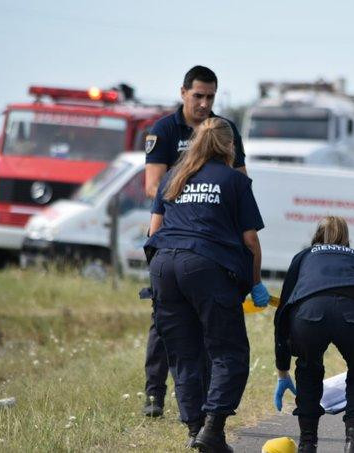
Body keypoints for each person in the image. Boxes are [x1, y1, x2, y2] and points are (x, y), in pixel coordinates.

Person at [146, 117, 269, 451]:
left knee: (184, 354)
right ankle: (212, 429)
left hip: (164, 267)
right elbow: (251, 240)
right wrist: (255, 282)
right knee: (227, 351)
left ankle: (195, 431)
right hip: (205, 266)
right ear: (229, 146)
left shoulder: (173, 177)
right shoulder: (235, 182)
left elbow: (153, 232)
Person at [141, 65, 247, 418]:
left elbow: (241, 177)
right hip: (172, 228)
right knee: (165, 322)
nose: (204, 103)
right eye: (198, 96)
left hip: (210, 238)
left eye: (210, 97)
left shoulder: (223, 129)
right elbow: (153, 185)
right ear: (183, 92)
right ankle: (154, 394)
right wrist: (192, 195)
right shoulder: (164, 130)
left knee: (205, 327)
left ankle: (199, 407)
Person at [273, 216, 354, 453]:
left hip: (310, 314)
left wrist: (282, 370)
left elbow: (283, 312)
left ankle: (307, 443)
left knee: (308, 369)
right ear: (347, 238)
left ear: (316, 235)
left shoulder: (304, 256)